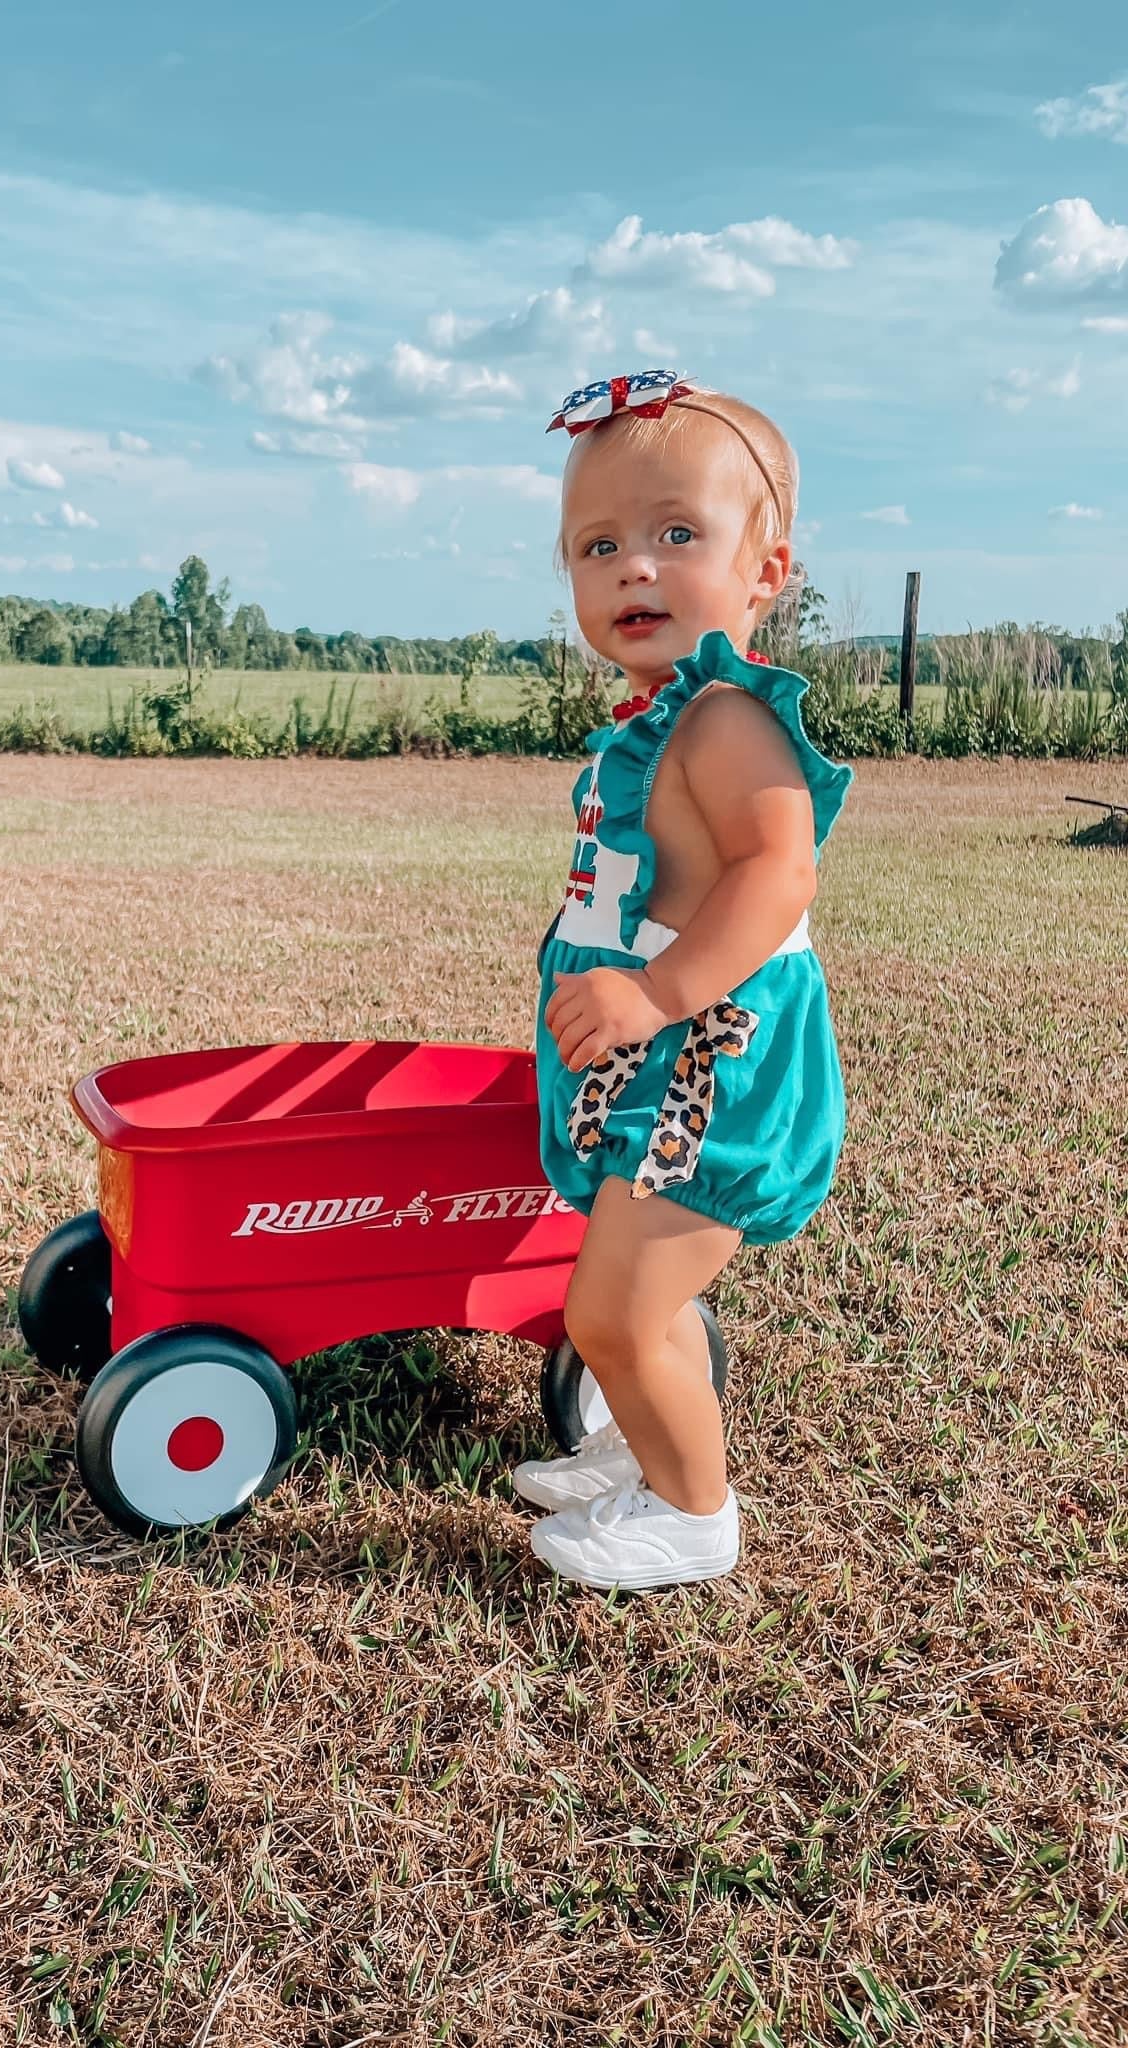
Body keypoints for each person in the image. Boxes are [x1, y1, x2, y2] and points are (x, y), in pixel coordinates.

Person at [514, 369, 854, 1592]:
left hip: (718, 1061)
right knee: (609, 1292)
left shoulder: (725, 722)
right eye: (598, 545)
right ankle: (641, 1452)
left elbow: (779, 872)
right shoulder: (655, 718)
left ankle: (694, 1509)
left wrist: (654, 996)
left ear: (765, 571)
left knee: (616, 1310)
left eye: (675, 534)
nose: (633, 569)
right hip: (657, 1059)